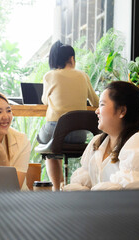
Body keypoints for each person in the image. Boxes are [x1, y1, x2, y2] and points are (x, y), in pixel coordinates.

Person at [63, 81, 139, 191]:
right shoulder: (97, 142)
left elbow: (122, 191)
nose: (96, 111)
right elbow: (83, 181)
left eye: (102, 104)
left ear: (122, 110)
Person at [38, 40, 99, 190]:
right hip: (79, 135)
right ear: (72, 58)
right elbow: (95, 102)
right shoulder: (83, 76)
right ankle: (64, 184)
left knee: (49, 147)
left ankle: (56, 188)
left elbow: (44, 100)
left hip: (55, 131)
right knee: (55, 143)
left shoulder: (50, 75)